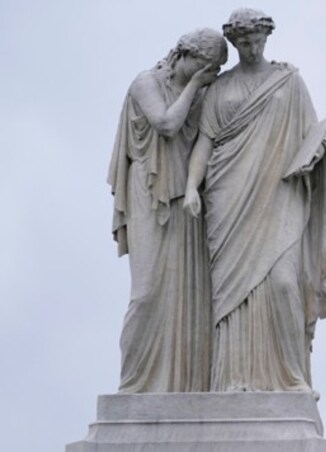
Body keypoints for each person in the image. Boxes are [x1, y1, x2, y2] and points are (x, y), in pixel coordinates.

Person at [184, 8, 326, 392]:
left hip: (280, 193)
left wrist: (315, 155)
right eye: (243, 42)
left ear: (266, 38)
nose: (251, 46)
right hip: (228, 197)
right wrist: (192, 186)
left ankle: (291, 378)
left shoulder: (289, 82)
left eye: (256, 39)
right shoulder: (219, 89)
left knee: (283, 284)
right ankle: (233, 379)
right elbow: (204, 143)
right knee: (231, 294)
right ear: (234, 43)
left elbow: (312, 135)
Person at [108, 28, 228, 393]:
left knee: (188, 297)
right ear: (183, 55)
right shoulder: (146, 82)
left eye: (216, 70)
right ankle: (134, 385)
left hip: (187, 200)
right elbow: (166, 125)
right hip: (149, 192)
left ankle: (185, 386)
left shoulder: (205, 93)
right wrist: (195, 86)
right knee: (146, 293)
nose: (210, 75)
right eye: (205, 66)